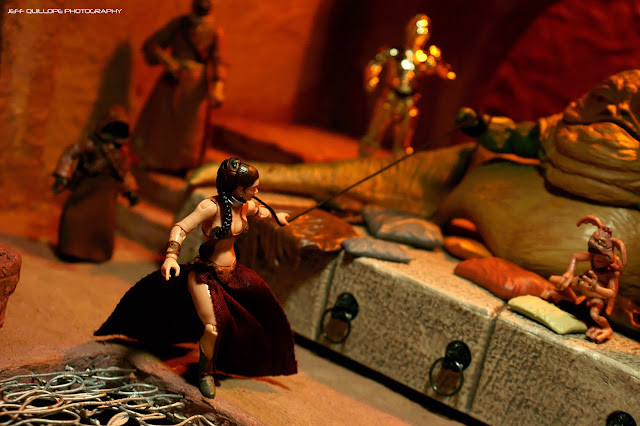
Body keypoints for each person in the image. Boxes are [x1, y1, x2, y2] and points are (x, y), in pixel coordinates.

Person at [96, 158, 297, 398]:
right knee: (213, 326)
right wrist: (171, 256)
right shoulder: (211, 208)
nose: (257, 191)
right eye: (253, 188)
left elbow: (261, 211)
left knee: (260, 307)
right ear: (238, 189)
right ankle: (205, 372)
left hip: (232, 273)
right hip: (205, 275)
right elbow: (180, 228)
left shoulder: (245, 205)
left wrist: (277, 216)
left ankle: (248, 357)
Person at [132, 0, 226, 173]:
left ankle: (186, 165)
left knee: (191, 130)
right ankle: (155, 160)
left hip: (196, 87)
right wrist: (167, 60)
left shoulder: (215, 31)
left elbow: (218, 60)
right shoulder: (180, 25)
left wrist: (218, 86)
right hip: (173, 81)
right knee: (162, 123)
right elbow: (152, 44)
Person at [52, 105, 138, 262]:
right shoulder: (91, 144)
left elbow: (125, 173)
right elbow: (70, 154)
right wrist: (63, 175)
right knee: (75, 218)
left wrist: (131, 190)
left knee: (102, 225)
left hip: (106, 193)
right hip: (87, 186)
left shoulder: (122, 152)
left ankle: (97, 253)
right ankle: (71, 249)